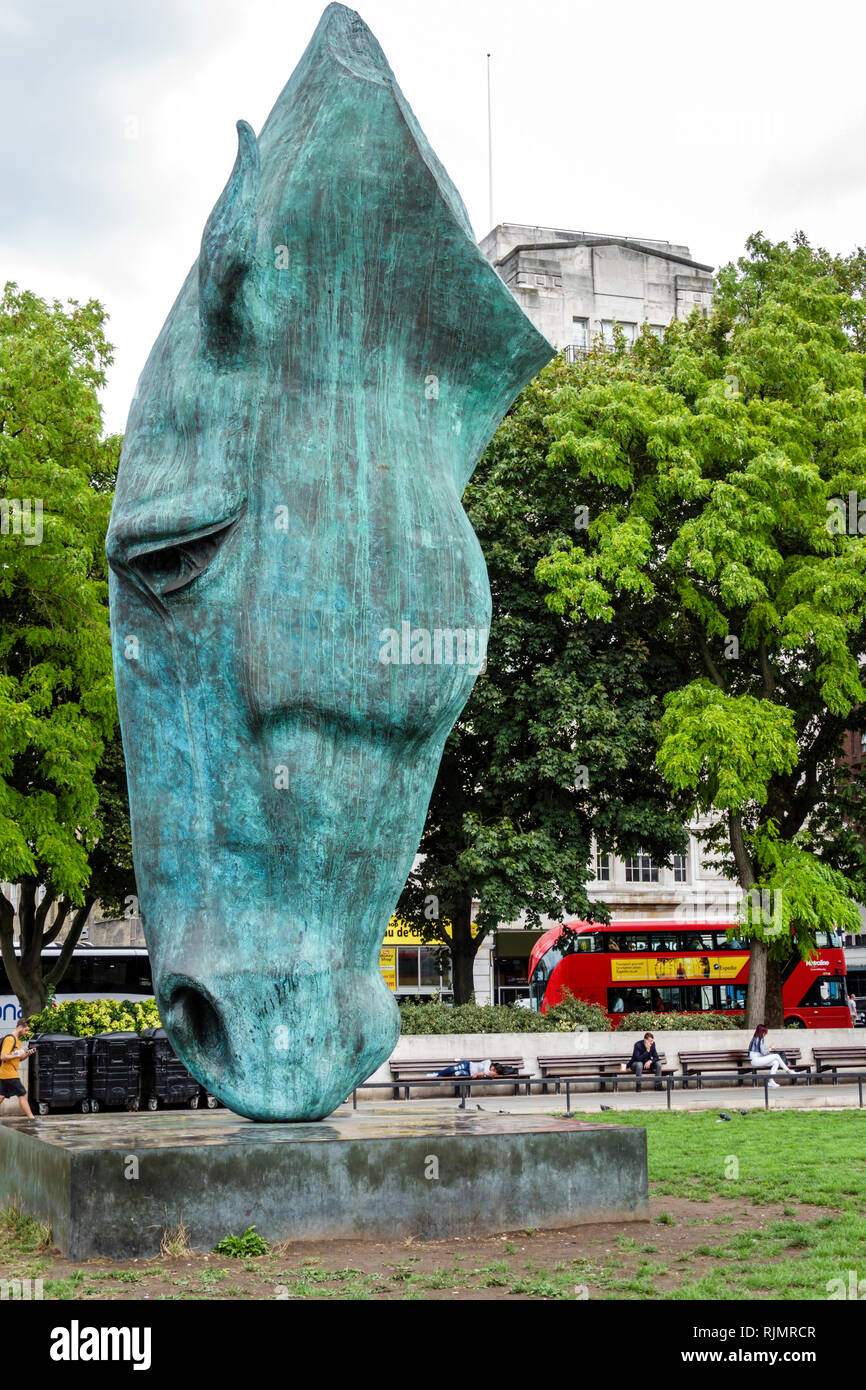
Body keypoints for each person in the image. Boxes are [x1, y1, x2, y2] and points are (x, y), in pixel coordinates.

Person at [0, 1019, 36, 1119]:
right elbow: (3, 1056)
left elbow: (19, 1058)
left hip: (6, 1073)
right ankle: (31, 1118)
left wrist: (28, 1053)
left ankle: (31, 1117)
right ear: (20, 1027)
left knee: (1, 1095)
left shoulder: (18, 1041)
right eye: (26, 1030)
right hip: (9, 1073)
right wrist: (16, 1055)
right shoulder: (10, 1039)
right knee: (22, 1094)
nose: (26, 1033)